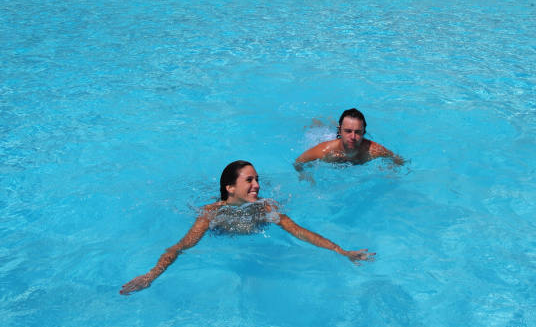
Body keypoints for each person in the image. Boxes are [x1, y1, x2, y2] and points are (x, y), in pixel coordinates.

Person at [120, 160, 374, 294]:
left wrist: (342, 252)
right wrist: (150, 276)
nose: (257, 185)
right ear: (230, 188)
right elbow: (181, 246)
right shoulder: (211, 214)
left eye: (257, 180)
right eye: (249, 180)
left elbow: (299, 232)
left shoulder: (265, 208)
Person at [294, 108, 403, 172]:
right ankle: (320, 123)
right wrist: (306, 176)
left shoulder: (373, 150)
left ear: (364, 133)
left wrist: (390, 171)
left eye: (358, 132)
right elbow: (298, 162)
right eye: (348, 131)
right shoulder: (325, 150)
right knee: (322, 131)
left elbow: (399, 161)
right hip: (331, 140)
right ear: (340, 131)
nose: (353, 137)